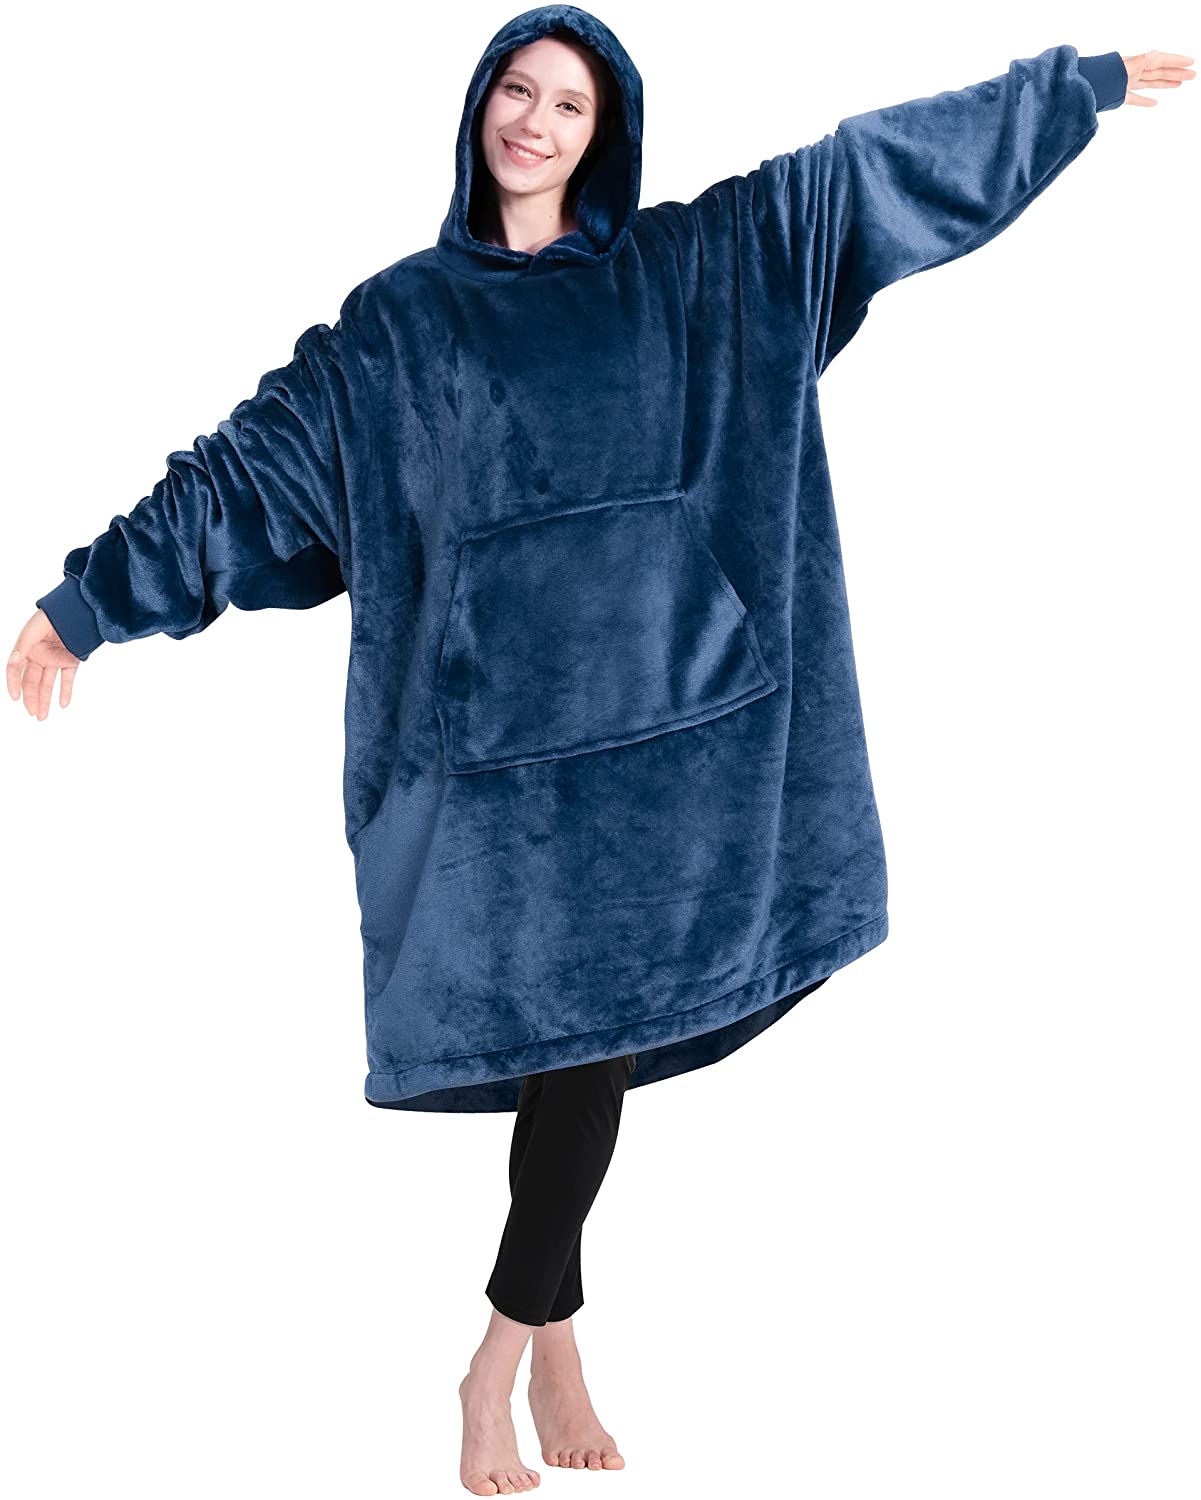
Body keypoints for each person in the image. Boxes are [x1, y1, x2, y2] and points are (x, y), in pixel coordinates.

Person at [10, 6, 1193, 1496]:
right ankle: (534, 1350)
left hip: (667, 763)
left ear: (603, 131)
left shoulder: (692, 269)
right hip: (496, 781)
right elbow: (250, 471)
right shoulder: (400, 326)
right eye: (518, 90)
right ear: (480, 106)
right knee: (578, 1063)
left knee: (589, 1061)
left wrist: (1068, 92)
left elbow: (864, 174)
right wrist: (86, 604)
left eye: (568, 104)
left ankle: (503, 1356)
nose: (535, 122)